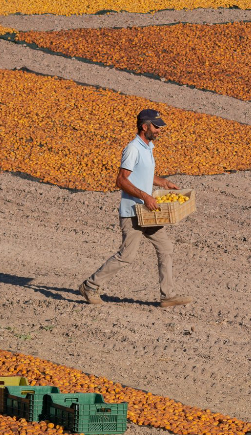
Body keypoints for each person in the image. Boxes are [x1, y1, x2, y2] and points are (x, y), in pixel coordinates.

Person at [78, 109, 192, 307]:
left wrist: (162, 182)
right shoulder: (133, 149)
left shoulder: (148, 147)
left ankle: (168, 296)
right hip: (133, 212)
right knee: (126, 256)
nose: (159, 130)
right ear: (144, 126)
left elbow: (143, 174)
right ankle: (90, 286)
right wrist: (145, 196)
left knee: (166, 248)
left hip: (147, 211)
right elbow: (121, 180)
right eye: (156, 126)